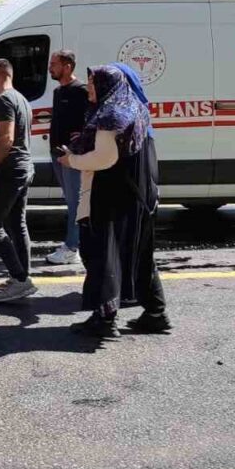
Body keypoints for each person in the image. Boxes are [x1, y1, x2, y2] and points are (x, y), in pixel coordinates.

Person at [60, 64, 170, 338]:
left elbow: (105, 158)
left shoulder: (111, 114)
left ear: (107, 85)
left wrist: (71, 160)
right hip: (140, 197)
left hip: (113, 198)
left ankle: (105, 319)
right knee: (140, 256)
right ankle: (156, 314)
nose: (89, 88)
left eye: (93, 83)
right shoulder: (134, 108)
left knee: (102, 254)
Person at [0, 59, 38, 303]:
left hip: (10, 170)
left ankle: (20, 279)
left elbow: (6, 138)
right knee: (17, 224)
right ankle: (21, 277)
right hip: (24, 167)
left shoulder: (4, 100)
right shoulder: (21, 99)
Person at [48, 50, 90, 267]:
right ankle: (73, 245)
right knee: (70, 200)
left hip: (71, 155)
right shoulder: (58, 91)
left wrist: (80, 140)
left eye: (54, 64)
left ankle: (72, 248)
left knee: (75, 202)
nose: (50, 68)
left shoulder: (81, 91)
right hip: (57, 155)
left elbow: (90, 120)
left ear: (68, 66)